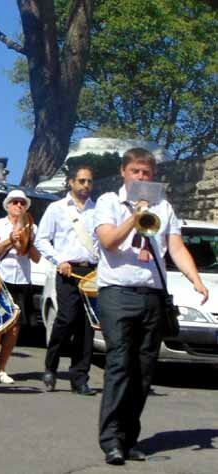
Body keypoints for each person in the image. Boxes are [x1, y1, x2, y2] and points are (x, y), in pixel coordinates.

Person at [94, 148, 208, 465]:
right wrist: (135, 215)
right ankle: (111, 441)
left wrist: (195, 279)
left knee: (143, 371)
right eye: (136, 172)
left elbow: (175, 246)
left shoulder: (165, 207)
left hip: (152, 295)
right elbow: (108, 241)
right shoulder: (108, 202)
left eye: (147, 173)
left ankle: (130, 439)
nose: (142, 178)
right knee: (119, 364)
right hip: (117, 292)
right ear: (124, 172)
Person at [34, 164, 98, 396]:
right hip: (67, 273)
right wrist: (60, 260)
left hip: (91, 274)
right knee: (66, 319)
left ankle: (80, 378)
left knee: (87, 327)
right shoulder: (56, 208)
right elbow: (41, 240)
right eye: (81, 181)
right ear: (70, 182)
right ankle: (51, 366)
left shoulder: (96, 210)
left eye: (89, 181)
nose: (86, 186)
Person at [0, 190, 40, 384]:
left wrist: (27, 240)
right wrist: (10, 238)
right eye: (15, 202)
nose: (18, 206)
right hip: (3, 277)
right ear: (7, 205)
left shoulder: (32, 227)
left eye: (22, 203)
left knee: (15, 327)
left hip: (22, 279)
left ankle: (2, 367)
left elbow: (36, 258)